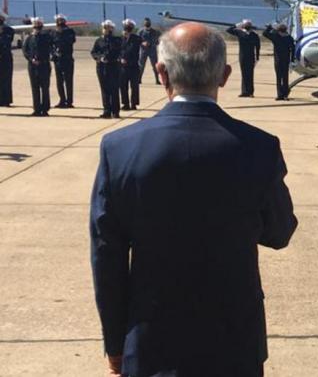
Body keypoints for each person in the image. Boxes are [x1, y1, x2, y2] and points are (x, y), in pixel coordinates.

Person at [90, 22, 297, 377]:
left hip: (151, 338)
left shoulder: (120, 148)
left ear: (161, 73)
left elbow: (106, 258)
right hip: (234, 339)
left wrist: (115, 344)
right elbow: (279, 232)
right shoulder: (259, 148)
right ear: (226, 75)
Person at [90, 20, 123, 119]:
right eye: (104, 27)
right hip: (101, 67)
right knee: (104, 90)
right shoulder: (99, 40)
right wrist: (100, 58)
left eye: (108, 27)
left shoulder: (116, 40)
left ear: (111, 29)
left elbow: (119, 51)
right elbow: (93, 52)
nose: (105, 29)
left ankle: (115, 111)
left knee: (114, 89)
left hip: (113, 67)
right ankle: (106, 110)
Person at [22, 18, 54, 116]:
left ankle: (45, 109)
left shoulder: (46, 37)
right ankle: (36, 108)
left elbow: (52, 46)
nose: (37, 28)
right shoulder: (29, 38)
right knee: (34, 88)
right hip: (32, 66)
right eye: (35, 26)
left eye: (38, 25)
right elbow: (25, 50)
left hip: (44, 65)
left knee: (45, 88)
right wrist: (31, 59)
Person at [226, 19, 261, 98]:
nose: (247, 25)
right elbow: (228, 30)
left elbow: (258, 46)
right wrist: (236, 25)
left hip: (251, 56)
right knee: (244, 74)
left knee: (250, 74)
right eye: (246, 24)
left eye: (249, 24)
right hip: (242, 56)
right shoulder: (239, 32)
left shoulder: (254, 35)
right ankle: (244, 92)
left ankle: (250, 92)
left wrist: (257, 57)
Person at [263, 23, 295, 100]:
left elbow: (265, 33)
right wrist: (292, 60)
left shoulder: (276, 37)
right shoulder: (289, 38)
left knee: (279, 78)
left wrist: (270, 27)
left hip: (278, 60)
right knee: (285, 78)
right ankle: (285, 95)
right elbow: (293, 49)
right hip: (286, 60)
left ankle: (280, 95)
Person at [52, 14, 76, 108]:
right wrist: (54, 52)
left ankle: (69, 101)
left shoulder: (70, 31)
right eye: (58, 20)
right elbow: (51, 44)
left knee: (68, 80)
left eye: (61, 20)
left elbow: (71, 41)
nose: (59, 22)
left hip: (67, 59)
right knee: (59, 81)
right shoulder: (54, 32)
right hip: (58, 60)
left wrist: (61, 34)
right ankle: (62, 99)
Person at [119, 19, 143, 111]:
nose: (126, 30)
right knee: (123, 86)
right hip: (122, 66)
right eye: (125, 28)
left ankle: (134, 104)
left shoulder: (136, 39)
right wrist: (120, 59)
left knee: (134, 86)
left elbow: (143, 42)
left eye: (128, 28)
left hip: (133, 66)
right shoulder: (120, 39)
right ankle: (125, 103)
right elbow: (117, 50)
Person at [138, 17, 161, 84]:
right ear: (144, 23)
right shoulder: (140, 31)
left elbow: (158, 41)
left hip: (152, 51)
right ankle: (139, 79)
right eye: (146, 22)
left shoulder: (155, 32)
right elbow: (137, 40)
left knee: (155, 66)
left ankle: (157, 80)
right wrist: (142, 43)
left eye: (148, 22)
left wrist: (154, 43)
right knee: (141, 65)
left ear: (150, 23)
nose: (147, 23)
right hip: (143, 51)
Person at [0, 12, 13, 107]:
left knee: (6, 79)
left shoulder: (8, 30)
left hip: (5, 58)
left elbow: (7, 42)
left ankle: (6, 100)